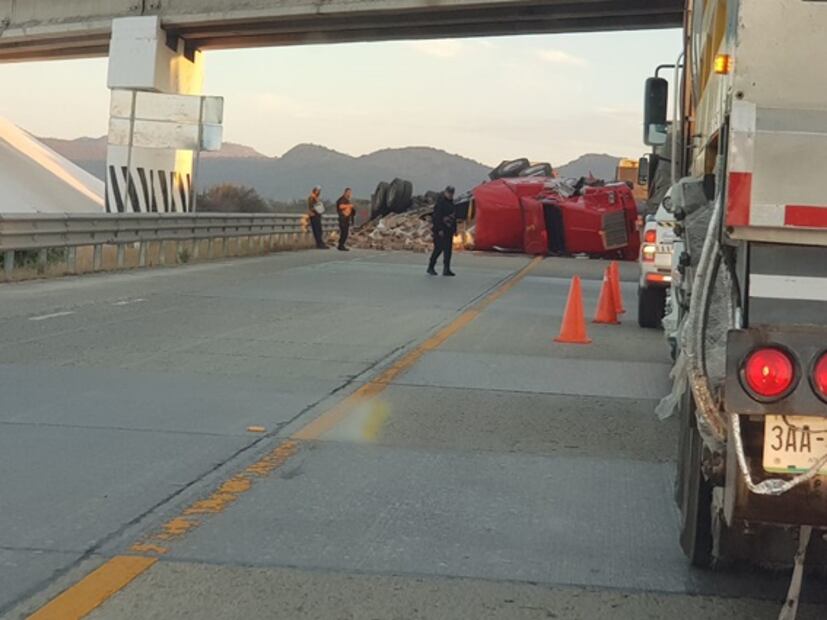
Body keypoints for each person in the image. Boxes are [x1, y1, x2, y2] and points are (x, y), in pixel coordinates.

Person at [427, 185, 457, 276]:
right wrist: (439, 229)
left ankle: (446, 269)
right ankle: (431, 267)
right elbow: (436, 217)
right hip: (440, 231)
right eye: (449, 193)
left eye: (452, 193)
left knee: (448, 251)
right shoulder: (440, 203)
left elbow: (454, 217)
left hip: (449, 231)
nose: (450, 195)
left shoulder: (452, 204)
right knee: (438, 249)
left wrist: (455, 229)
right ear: (445, 192)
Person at [335, 187, 355, 251]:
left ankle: (341, 245)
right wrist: (349, 206)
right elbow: (340, 206)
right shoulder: (342, 199)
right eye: (348, 192)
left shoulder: (347, 200)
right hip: (342, 218)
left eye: (350, 193)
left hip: (347, 219)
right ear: (345, 192)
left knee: (345, 233)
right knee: (343, 232)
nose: (350, 194)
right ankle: (341, 245)